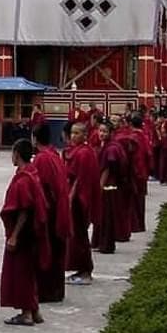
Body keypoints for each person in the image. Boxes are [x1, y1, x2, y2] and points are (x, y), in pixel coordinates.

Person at [0, 139, 50, 326]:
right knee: (29, 271)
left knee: (21, 272)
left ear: (17, 154)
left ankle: (26, 313)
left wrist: (14, 235)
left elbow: (24, 209)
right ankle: (35, 310)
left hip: (23, 234)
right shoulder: (32, 173)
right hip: (32, 233)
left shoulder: (23, 180)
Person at [32, 124, 71, 305]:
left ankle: (46, 292)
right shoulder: (54, 155)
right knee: (56, 252)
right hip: (59, 208)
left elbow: (39, 188)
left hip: (49, 211)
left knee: (46, 252)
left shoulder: (41, 159)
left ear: (34, 138)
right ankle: (56, 291)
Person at [63, 121, 100, 285]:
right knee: (76, 236)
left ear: (85, 135)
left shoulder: (84, 153)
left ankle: (85, 272)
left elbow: (80, 179)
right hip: (74, 197)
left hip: (79, 200)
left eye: (77, 133)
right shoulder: (75, 151)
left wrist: (70, 198)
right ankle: (81, 269)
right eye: (72, 133)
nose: (73, 136)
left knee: (80, 236)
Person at [91, 121, 126, 254]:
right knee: (101, 215)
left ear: (111, 133)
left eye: (105, 131)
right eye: (100, 131)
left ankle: (106, 245)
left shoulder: (111, 148)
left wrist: (101, 185)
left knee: (106, 216)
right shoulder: (104, 145)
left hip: (108, 185)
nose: (102, 134)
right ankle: (98, 242)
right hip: (104, 183)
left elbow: (108, 168)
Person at [129, 113, 153, 233]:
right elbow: (149, 154)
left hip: (134, 171)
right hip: (143, 171)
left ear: (131, 124)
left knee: (133, 199)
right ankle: (140, 224)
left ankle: (134, 225)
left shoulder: (132, 138)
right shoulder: (144, 136)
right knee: (140, 200)